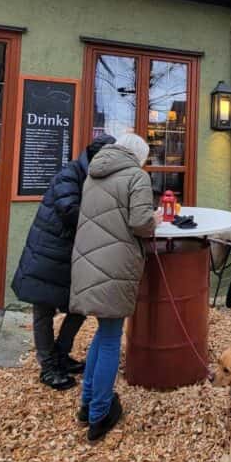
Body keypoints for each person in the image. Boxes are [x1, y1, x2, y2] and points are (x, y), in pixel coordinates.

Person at [70, 131, 161, 442]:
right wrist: (155, 220)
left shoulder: (94, 173)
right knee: (110, 339)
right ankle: (99, 415)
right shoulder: (136, 176)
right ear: (139, 157)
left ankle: (87, 403)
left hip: (87, 261)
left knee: (103, 332)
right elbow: (139, 223)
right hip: (114, 264)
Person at [12, 134, 116, 391]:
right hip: (47, 253)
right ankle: (48, 367)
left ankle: (61, 355)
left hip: (69, 256)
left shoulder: (91, 176)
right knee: (44, 310)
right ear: (97, 158)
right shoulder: (69, 175)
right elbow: (70, 210)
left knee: (79, 307)